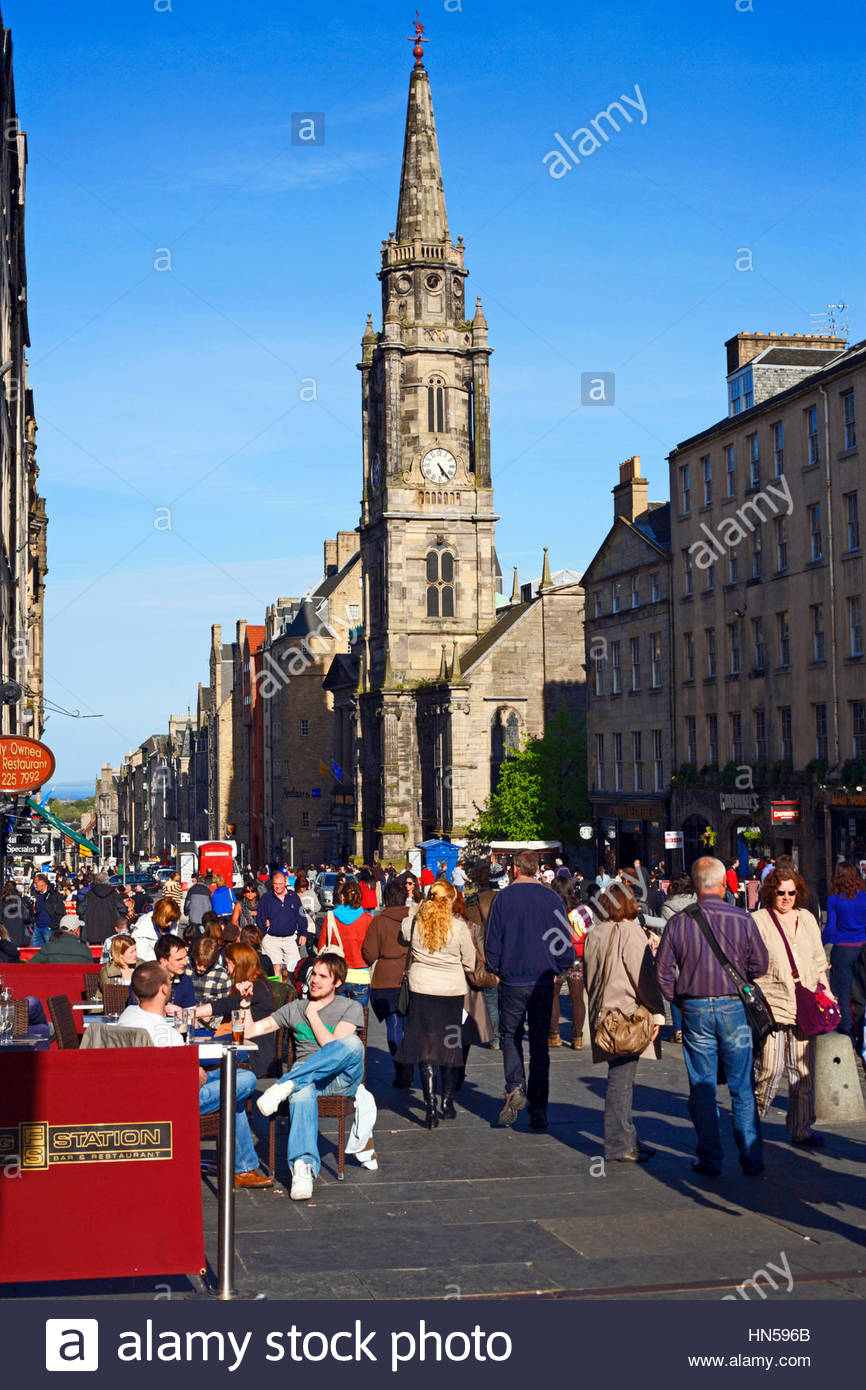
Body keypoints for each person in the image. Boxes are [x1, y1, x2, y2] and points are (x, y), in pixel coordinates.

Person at [655, 856, 769, 1176]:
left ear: (694, 885)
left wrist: (679, 1000)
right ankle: (750, 1155)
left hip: (695, 1008)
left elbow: (662, 972)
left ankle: (710, 1156)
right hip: (734, 1006)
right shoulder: (742, 918)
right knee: (741, 1084)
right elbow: (761, 964)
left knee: (703, 1085)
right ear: (723, 884)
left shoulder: (679, 921)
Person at [117, 961, 273, 1189]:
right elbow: (189, 1080)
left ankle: (244, 1169)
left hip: (143, 1092)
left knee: (231, 1083)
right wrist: (195, 1071)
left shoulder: (128, 1016)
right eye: (169, 982)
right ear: (163, 989)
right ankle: (243, 1169)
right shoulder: (163, 1034)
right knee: (245, 1080)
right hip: (174, 1101)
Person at [246, 953, 364, 1199]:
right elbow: (253, 1031)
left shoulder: (349, 1007)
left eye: (323, 976)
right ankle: (302, 1167)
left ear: (337, 982)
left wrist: (312, 1014)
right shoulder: (294, 1008)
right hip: (307, 1081)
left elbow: (331, 1046)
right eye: (314, 975)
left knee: (353, 1043)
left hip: (340, 1079)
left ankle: (286, 1084)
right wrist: (245, 1005)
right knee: (301, 1088)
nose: (315, 981)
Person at [485, 850, 575, 1130]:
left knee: (510, 1035)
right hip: (542, 980)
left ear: (515, 869)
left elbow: (492, 943)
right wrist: (561, 964)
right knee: (538, 1045)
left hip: (513, 980)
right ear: (536, 869)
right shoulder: (551, 899)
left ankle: (515, 1085)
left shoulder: (503, 899)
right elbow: (564, 942)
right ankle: (539, 1108)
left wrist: (497, 967)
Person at [751, 864, 834, 1148]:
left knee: (802, 1072)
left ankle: (801, 1128)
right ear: (770, 892)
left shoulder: (807, 918)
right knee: (769, 1069)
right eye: (780, 892)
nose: (786, 897)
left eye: (791, 892)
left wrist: (827, 990)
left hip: (806, 1003)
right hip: (773, 1002)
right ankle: (751, 1119)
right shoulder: (759, 919)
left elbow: (817, 957)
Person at [584, 881, 665, 1162]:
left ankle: (628, 1137)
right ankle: (620, 1144)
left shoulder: (595, 933)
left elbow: (589, 977)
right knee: (621, 1080)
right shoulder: (630, 932)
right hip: (626, 1018)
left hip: (603, 1017)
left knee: (622, 1078)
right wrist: (657, 1012)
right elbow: (643, 977)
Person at [394, 879, 476, 1126]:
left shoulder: (417, 923)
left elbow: (403, 932)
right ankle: (447, 1101)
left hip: (422, 990)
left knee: (426, 1047)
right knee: (450, 1045)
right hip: (451, 992)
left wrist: (417, 908)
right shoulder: (459, 927)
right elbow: (470, 962)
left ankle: (429, 1107)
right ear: (450, 900)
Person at [362, 876, 415, 1087]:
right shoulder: (414, 919)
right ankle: (408, 1065)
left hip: (385, 979)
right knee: (410, 1025)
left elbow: (369, 954)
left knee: (393, 1025)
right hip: (412, 975)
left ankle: (400, 1067)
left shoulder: (379, 921)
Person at [195, 942, 276, 1076]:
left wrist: (193, 1012)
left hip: (252, 1051)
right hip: (239, 1042)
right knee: (198, 1042)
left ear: (238, 964)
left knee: (198, 1053)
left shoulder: (257, 986)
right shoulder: (252, 982)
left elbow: (227, 1004)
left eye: (228, 963)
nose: (226, 968)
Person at [824, 861, 866, 1043]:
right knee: (862, 991)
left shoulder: (834, 900)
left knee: (842, 991)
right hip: (863, 948)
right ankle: (862, 1028)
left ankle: (847, 1029)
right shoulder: (864, 898)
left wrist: (820, 943)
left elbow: (831, 929)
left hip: (843, 950)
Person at [548, 877, 588, 1049]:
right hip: (577, 958)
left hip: (556, 959)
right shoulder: (582, 910)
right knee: (577, 999)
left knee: (553, 997)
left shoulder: (551, 909)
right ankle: (577, 1037)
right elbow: (589, 931)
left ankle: (554, 1035)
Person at [316, 880, 373, 1005]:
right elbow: (372, 950)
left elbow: (321, 945)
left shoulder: (331, 917)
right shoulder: (367, 919)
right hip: (361, 975)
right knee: (359, 1019)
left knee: (337, 1018)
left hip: (337, 974)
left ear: (342, 897)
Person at [464, 859, 500, 1048]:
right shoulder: (503, 898)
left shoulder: (472, 902)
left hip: (485, 955)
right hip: (505, 953)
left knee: (491, 999)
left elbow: (471, 931)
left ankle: (495, 1038)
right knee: (504, 999)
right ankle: (507, 1036)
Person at [660, 874, 697, 1043]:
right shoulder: (698, 903)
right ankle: (693, 1026)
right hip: (696, 951)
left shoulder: (667, 906)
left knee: (675, 992)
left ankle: (678, 1029)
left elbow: (665, 932)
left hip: (676, 952)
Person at [258, 870, 308, 973]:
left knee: (293, 970)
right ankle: (277, 989)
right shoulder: (266, 898)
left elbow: (301, 916)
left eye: (280, 883)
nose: (278, 886)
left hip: (290, 939)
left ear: (285, 883)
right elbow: (260, 918)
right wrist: (263, 935)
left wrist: (303, 933)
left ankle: (288, 988)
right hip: (271, 939)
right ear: (272, 884)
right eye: (275, 884)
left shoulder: (294, 897)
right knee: (276, 968)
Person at [186, 935, 233, 1018]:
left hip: (211, 1023)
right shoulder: (185, 968)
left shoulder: (222, 976)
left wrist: (212, 1016)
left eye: (205, 965)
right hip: (186, 1017)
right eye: (199, 963)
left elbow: (226, 1006)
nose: (201, 968)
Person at [79, 872, 126, 946]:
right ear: (107, 880)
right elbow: (123, 910)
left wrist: (88, 917)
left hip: (93, 931)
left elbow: (80, 910)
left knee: (95, 954)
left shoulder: (90, 894)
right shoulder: (113, 893)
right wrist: (116, 917)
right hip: (111, 930)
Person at [152, 933, 196, 1010]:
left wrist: (181, 1012)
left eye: (185, 957)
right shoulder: (145, 980)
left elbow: (191, 1017)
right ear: (164, 961)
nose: (185, 963)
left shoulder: (185, 981)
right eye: (179, 959)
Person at [133, 895, 181, 963]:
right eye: (168, 920)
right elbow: (147, 959)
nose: (170, 924)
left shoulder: (171, 924)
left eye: (172, 920)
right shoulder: (142, 931)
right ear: (160, 916)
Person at [30, 913, 94, 963]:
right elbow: (89, 975)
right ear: (76, 930)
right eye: (79, 929)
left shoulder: (48, 948)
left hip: (53, 979)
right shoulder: (85, 950)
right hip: (76, 979)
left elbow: (30, 966)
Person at [29, 873, 65, 949]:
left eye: (35, 883)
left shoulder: (54, 895)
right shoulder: (36, 894)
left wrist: (52, 926)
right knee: (34, 953)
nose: (34, 885)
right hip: (37, 927)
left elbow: (61, 913)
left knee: (51, 952)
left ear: (42, 883)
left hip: (49, 929)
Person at [0, 880, 33, 946]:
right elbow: (26, 916)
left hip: (6, 929)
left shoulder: (2, 900)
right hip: (19, 929)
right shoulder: (21, 899)